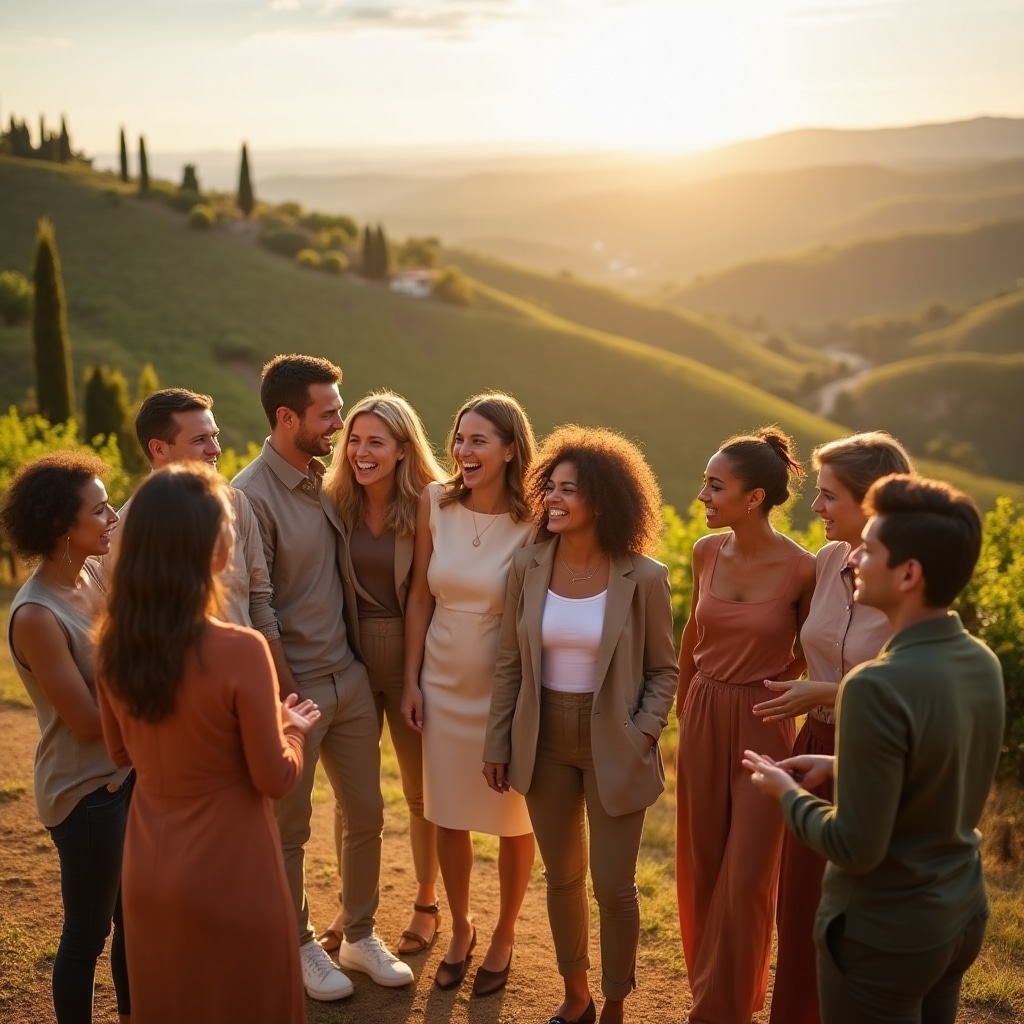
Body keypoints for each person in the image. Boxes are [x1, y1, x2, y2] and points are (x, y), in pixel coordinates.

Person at [744, 474, 1005, 1024]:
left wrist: (785, 793)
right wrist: (844, 764)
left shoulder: (872, 686)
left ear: (909, 574)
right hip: (958, 913)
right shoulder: (980, 660)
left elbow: (855, 846)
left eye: (871, 550)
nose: (854, 559)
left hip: (886, 930)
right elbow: (938, 769)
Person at [95, 463, 317, 1024]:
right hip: (231, 867)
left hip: (149, 868)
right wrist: (291, 730)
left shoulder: (113, 646)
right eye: (225, 523)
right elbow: (274, 779)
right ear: (207, 547)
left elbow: (121, 754)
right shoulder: (240, 649)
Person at [483, 426, 677, 1024]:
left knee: (613, 886)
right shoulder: (527, 564)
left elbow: (664, 671)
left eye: (571, 489)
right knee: (562, 879)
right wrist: (498, 741)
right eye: (552, 487)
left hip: (614, 739)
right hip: (542, 739)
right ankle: (577, 998)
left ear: (606, 500)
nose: (555, 499)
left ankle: (616, 1001)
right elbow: (511, 662)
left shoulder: (643, 576)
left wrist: (642, 730)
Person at [233, 355, 413, 1000]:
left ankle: (360, 935)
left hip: (352, 679)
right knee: (291, 828)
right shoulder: (249, 496)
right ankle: (300, 943)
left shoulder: (324, 480)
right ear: (288, 418)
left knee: (366, 811)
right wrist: (285, 692)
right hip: (297, 689)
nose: (340, 422)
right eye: (329, 413)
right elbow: (258, 605)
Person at [751, 432, 913, 1024]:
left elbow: (915, 689)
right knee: (801, 912)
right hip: (813, 745)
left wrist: (827, 691)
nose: (814, 508)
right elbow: (799, 642)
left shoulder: (907, 581)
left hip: (876, 757)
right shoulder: (823, 562)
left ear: (872, 504)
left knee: (859, 919)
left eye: (828, 497)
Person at [674, 427, 816, 1024]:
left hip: (763, 724)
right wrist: (683, 705)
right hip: (703, 714)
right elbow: (693, 635)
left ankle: (725, 1009)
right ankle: (711, 991)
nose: (702, 495)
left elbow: (809, 647)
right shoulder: (706, 551)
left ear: (754, 497)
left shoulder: (804, 569)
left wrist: (776, 683)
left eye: (715, 485)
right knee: (702, 861)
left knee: (751, 875)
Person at [402, 392, 537, 995]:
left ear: (511, 449)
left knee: (514, 818)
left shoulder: (537, 518)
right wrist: (410, 678)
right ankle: (461, 927)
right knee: (447, 813)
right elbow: (420, 596)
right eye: (459, 438)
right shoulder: (436, 501)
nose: (463, 450)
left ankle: (506, 932)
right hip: (441, 674)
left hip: (507, 683)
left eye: (478, 440)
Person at [1, 452, 131, 1024]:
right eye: (100, 509)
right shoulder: (35, 614)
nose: (112, 518)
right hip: (85, 793)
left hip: (126, 772)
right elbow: (85, 720)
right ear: (62, 528)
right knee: (88, 931)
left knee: (135, 918)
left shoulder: (95, 573)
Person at [317, 391, 446, 956]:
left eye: (376, 442)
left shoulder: (427, 505)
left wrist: (414, 678)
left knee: (421, 794)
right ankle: (352, 903)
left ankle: (425, 902)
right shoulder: (331, 502)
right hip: (349, 655)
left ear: (401, 449)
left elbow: (423, 596)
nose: (361, 452)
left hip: (413, 653)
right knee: (352, 794)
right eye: (355, 440)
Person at [108, 388, 291, 682]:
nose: (215, 449)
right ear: (158, 449)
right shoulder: (121, 531)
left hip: (247, 683)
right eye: (200, 440)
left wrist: (281, 686)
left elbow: (258, 600)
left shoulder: (236, 505)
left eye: (214, 435)